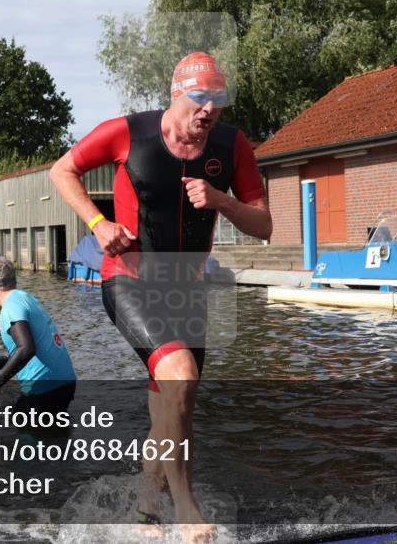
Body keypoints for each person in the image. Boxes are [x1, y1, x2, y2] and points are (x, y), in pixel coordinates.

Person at [49, 51, 272, 541]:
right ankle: (186, 510)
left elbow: (264, 226)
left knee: (172, 407)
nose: (208, 112)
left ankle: (145, 511)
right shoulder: (130, 132)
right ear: (176, 95)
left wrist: (222, 200)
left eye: (217, 102)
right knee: (180, 376)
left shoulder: (232, 146)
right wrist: (97, 223)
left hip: (186, 289)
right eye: (199, 100)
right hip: (129, 280)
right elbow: (62, 171)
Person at [0, 257, 76, 415]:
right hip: (65, 383)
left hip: (44, 388)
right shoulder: (26, 298)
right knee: (55, 435)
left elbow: (27, 349)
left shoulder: (10, 307)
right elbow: (25, 351)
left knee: (27, 436)